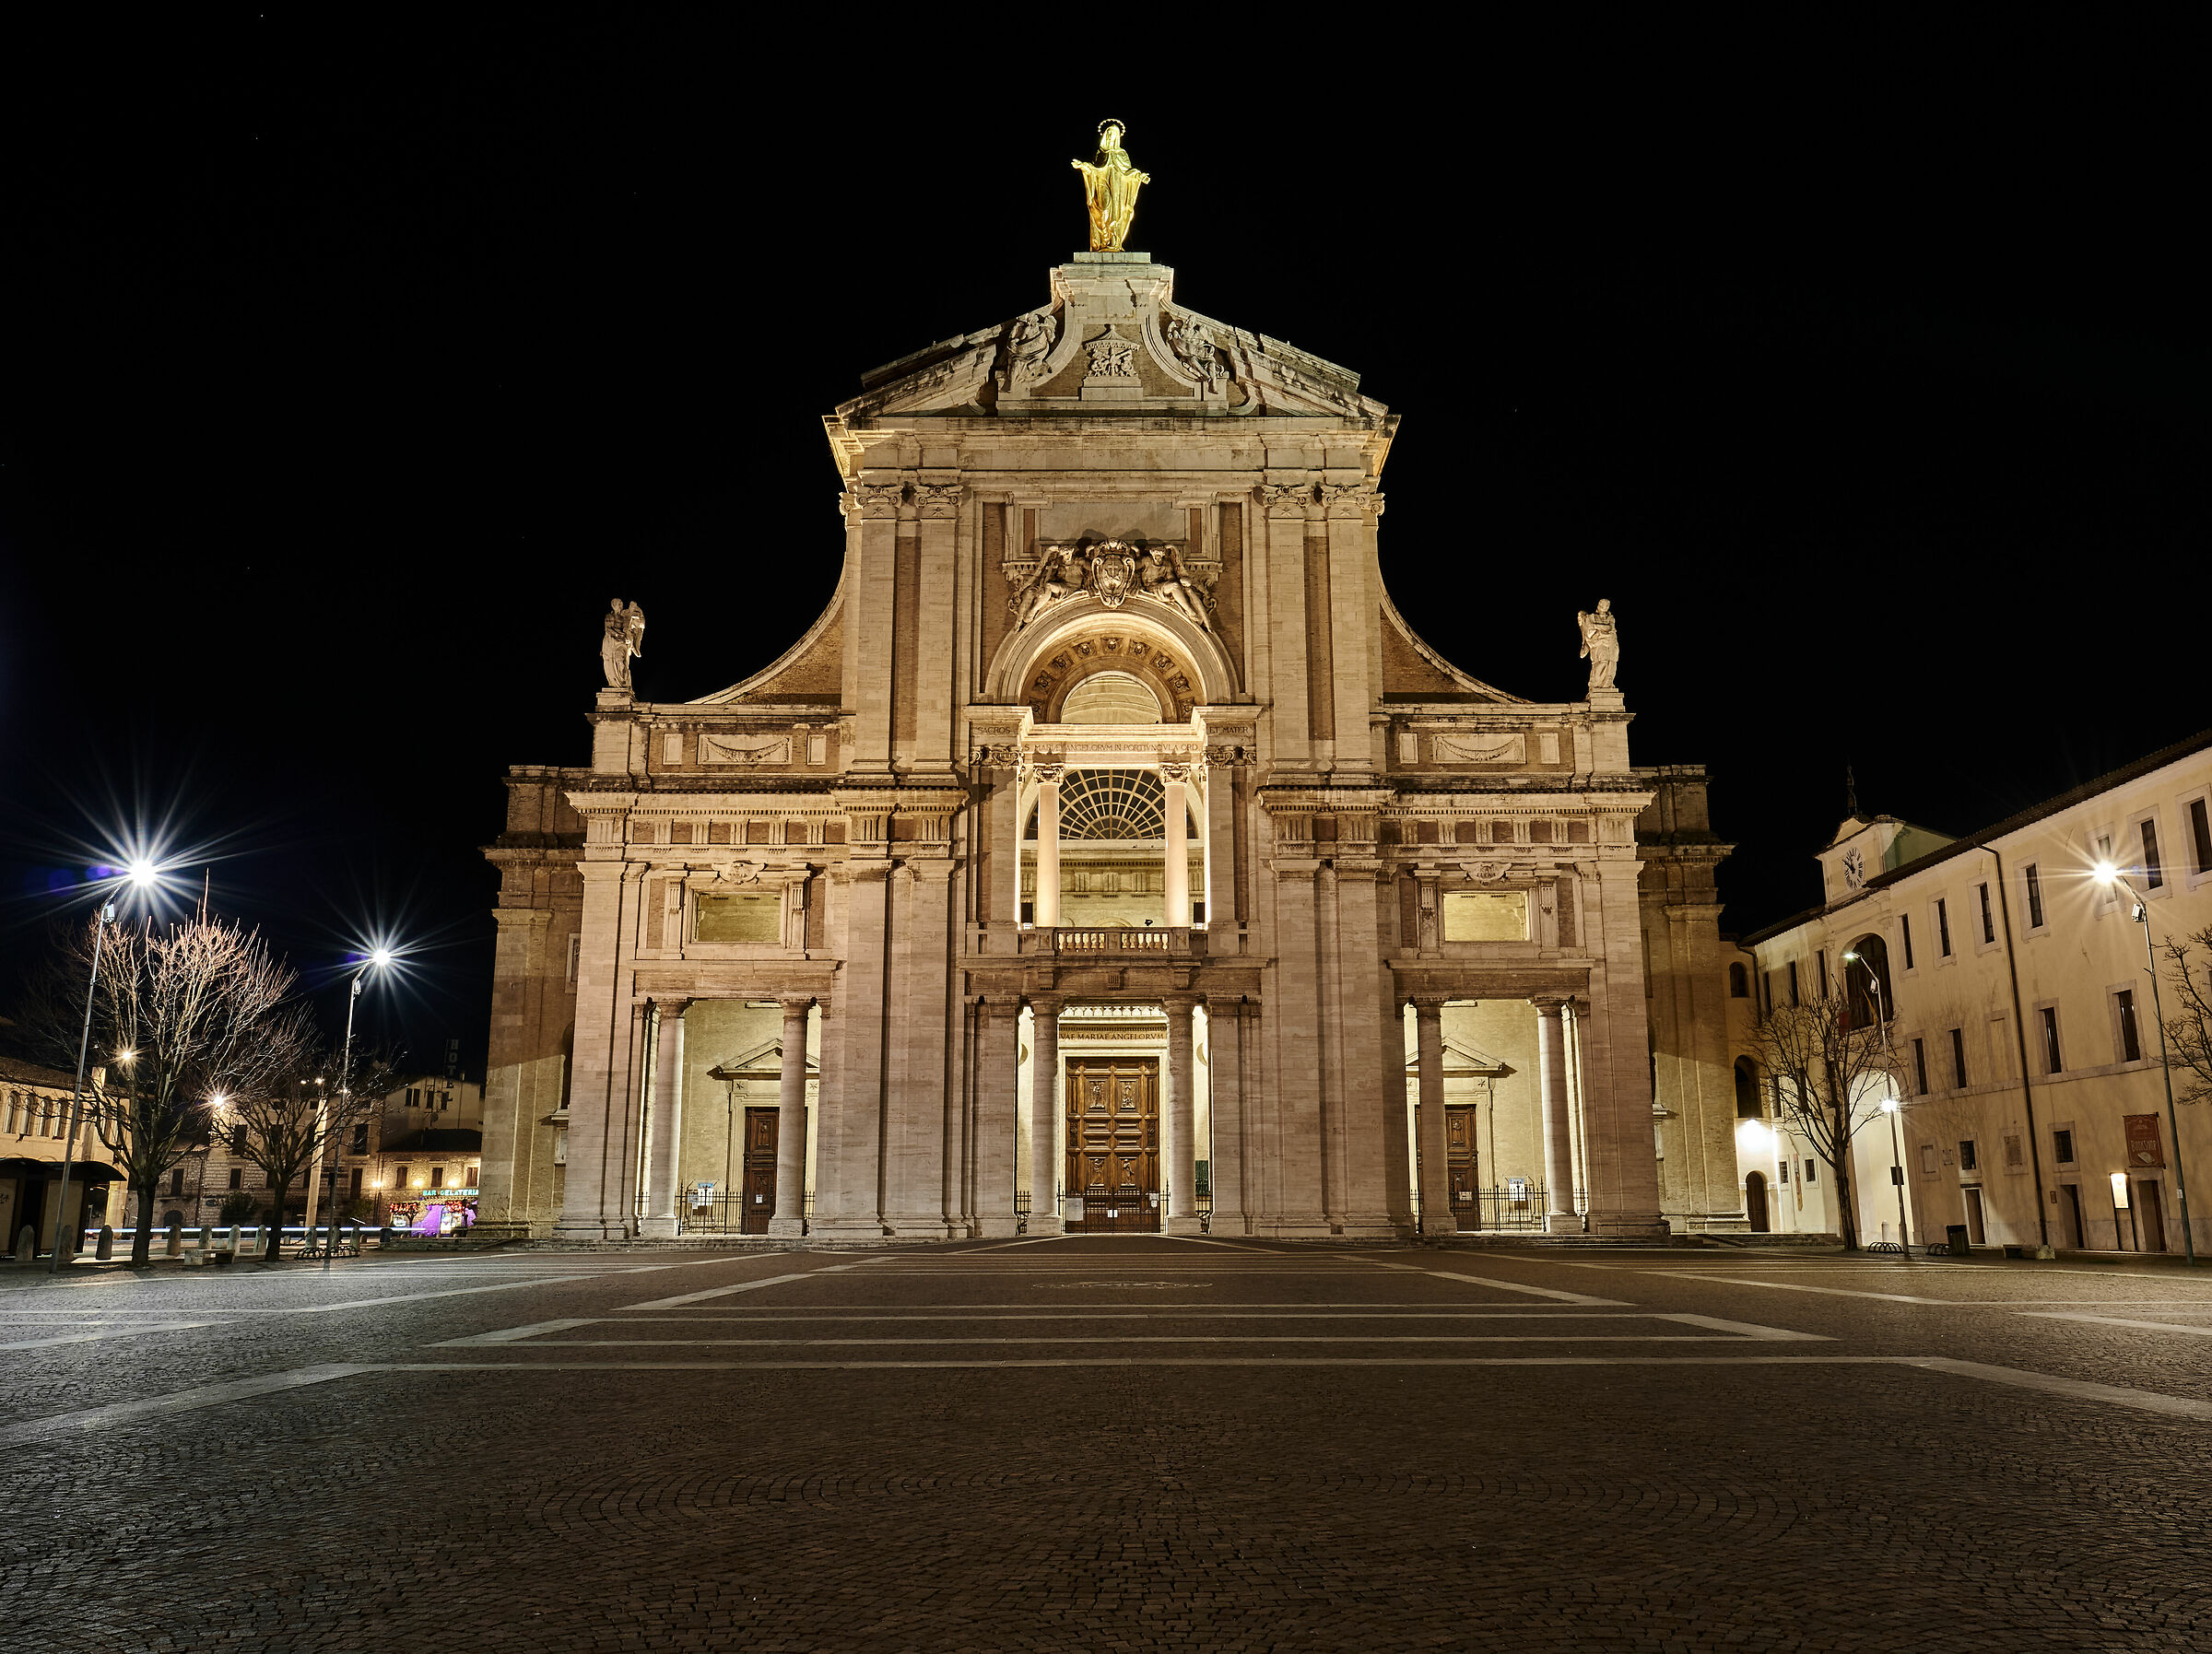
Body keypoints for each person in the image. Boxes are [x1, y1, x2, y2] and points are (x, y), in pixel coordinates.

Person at [1072, 121, 1149, 252]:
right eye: (1108, 133)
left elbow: (1128, 173)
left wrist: (1139, 176)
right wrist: (1083, 166)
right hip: (1102, 185)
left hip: (1119, 190)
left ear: (1117, 136)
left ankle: (1114, 241)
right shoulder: (1100, 153)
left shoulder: (1122, 154)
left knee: (1117, 213)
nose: (1109, 136)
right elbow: (1094, 169)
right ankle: (1104, 240)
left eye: (1113, 134)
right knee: (1104, 210)